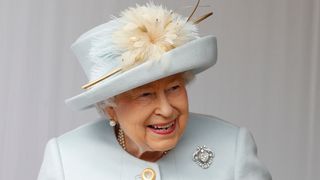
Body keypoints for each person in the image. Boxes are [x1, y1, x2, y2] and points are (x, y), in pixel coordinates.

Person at [38, 1, 272, 180]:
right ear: (110, 108)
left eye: (174, 88)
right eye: (145, 94)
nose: (166, 109)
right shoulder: (66, 159)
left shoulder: (232, 146)